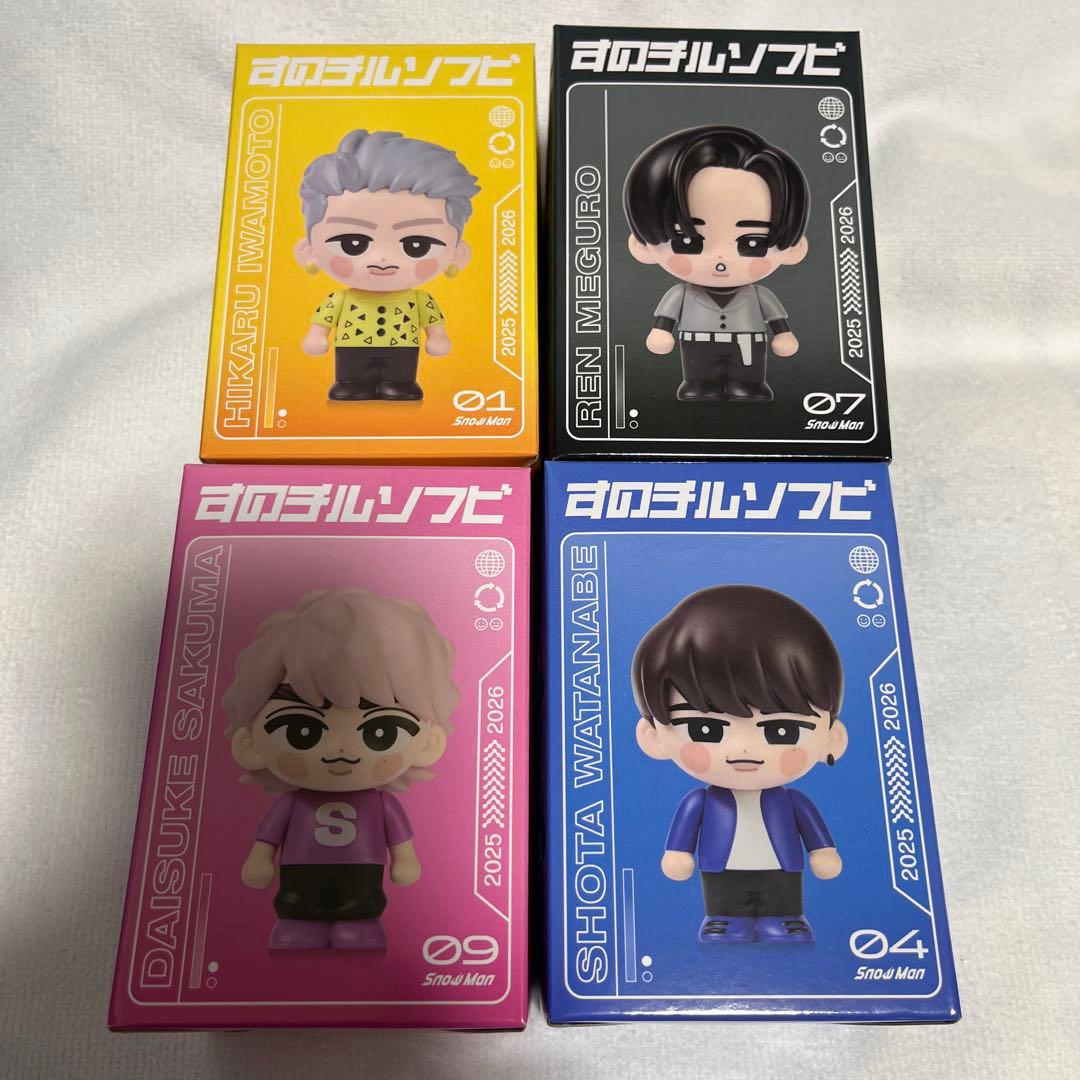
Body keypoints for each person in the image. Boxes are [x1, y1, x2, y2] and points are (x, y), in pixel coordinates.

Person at [222, 588, 459, 950]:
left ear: (429, 743)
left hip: (361, 875)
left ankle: (359, 925)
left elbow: (400, 842)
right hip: (300, 874)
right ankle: (298, 926)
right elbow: (268, 838)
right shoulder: (294, 803)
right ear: (250, 745)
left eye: (381, 731)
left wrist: (405, 859)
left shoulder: (379, 804)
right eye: (302, 730)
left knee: (361, 907)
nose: (341, 749)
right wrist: (260, 860)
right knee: (296, 907)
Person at [632, 585, 847, 943]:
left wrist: (823, 851)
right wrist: (677, 853)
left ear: (832, 739)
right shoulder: (699, 802)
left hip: (782, 871)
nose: (743, 748)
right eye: (705, 729)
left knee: (783, 903)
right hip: (721, 871)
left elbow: (813, 832)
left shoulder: (792, 802)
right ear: (653, 737)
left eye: (781, 730)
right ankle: (724, 920)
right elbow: (683, 838)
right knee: (724, 904)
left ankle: (785, 919)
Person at [623, 126, 810, 403]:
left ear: (793, 249)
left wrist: (783, 335)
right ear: (643, 245)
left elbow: (776, 319)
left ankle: (749, 386)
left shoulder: (758, 295)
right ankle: (699, 385)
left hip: (747, 344)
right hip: (697, 345)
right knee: (699, 376)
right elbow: (666, 318)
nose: (720, 259)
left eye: (753, 243)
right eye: (688, 242)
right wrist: (660, 331)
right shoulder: (681, 294)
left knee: (749, 373)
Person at [296, 129, 480, 401]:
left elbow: (433, 324)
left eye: (416, 245)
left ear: (457, 255)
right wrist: (317, 336)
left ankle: (400, 384)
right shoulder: (339, 300)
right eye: (353, 243)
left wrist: (437, 337)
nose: (382, 259)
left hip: (403, 349)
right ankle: (351, 384)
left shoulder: (420, 300)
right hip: (351, 347)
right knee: (351, 377)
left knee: (401, 377)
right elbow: (322, 322)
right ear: (309, 252)